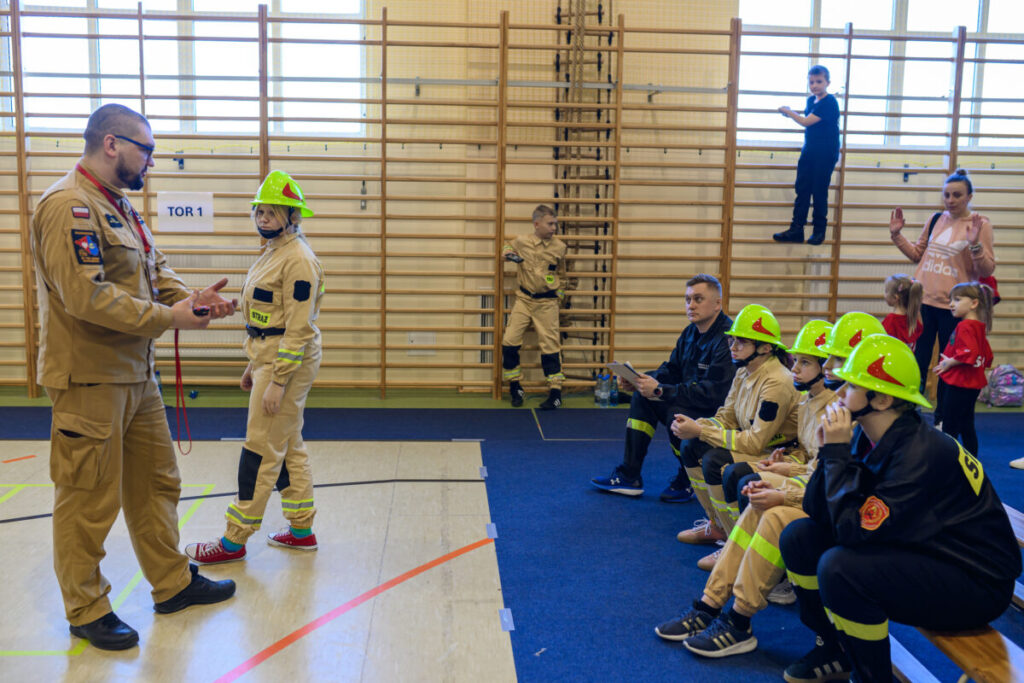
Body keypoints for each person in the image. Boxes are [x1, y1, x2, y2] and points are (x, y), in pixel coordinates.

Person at [30, 104, 237, 651]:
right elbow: (85, 296)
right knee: (88, 500)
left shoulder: (119, 206)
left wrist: (193, 299)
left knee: (156, 485)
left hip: (135, 376)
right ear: (113, 144)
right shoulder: (69, 207)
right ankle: (86, 608)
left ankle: (171, 584)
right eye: (146, 148)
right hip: (90, 378)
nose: (151, 159)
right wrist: (171, 318)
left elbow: (155, 270)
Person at [779, 334, 1020, 683]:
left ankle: (872, 678)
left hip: (976, 581)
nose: (841, 391)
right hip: (929, 548)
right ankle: (836, 649)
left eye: (852, 384)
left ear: (882, 399)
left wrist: (835, 456)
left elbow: (852, 533)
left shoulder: (920, 453)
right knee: (800, 537)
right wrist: (827, 453)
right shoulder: (868, 432)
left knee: (840, 569)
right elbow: (817, 511)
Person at [653, 320, 837, 657]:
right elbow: (820, 466)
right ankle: (711, 605)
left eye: (806, 362)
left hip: (831, 504)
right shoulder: (813, 399)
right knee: (755, 496)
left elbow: (834, 482)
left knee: (755, 492)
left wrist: (787, 489)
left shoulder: (822, 405)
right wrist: (789, 465)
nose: (794, 367)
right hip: (810, 481)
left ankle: (739, 615)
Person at [185, 171, 325, 565]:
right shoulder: (273, 251)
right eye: (259, 211)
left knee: (260, 449)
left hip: (287, 360)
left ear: (292, 217)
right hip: (269, 355)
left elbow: (297, 328)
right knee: (289, 444)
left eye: (272, 212)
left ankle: (234, 540)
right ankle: (301, 530)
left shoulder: (298, 260)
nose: (263, 218)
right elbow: (267, 316)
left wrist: (277, 380)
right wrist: (254, 364)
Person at [670, 304, 801, 566]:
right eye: (732, 339)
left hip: (784, 453)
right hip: (757, 444)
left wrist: (701, 430)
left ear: (764, 347)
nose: (732, 346)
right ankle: (717, 525)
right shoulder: (743, 371)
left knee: (716, 461)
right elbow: (727, 416)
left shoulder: (777, 381)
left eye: (741, 341)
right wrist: (700, 425)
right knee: (691, 446)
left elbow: (755, 441)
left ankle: (734, 544)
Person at [590, 274, 735, 501]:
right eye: (688, 299)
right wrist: (641, 380)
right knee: (642, 397)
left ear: (718, 304)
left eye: (698, 299)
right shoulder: (690, 332)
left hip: (718, 412)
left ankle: (689, 476)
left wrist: (662, 391)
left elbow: (713, 393)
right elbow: (672, 369)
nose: (691, 305)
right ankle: (630, 475)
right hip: (693, 400)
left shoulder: (728, 339)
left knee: (674, 413)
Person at [889, 169, 995, 385]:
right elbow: (918, 254)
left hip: (954, 307)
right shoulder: (936, 218)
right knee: (916, 360)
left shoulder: (980, 224)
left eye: (957, 195)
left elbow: (986, 270)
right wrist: (896, 235)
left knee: (948, 363)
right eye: (946, 195)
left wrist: (975, 245)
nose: (950, 200)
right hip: (923, 302)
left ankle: (942, 417)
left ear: (969, 197)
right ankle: (911, 408)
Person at [501, 205, 568, 410]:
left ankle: (555, 392)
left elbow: (563, 275)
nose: (554, 228)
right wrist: (509, 254)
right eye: (550, 224)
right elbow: (506, 249)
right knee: (509, 341)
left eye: (555, 224)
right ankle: (515, 386)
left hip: (547, 302)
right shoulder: (522, 241)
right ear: (536, 224)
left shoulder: (560, 247)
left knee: (550, 347)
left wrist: (559, 298)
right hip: (524, 300)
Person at [773, 65, 841, 246]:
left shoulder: (829, 102)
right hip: (810, 149)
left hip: (825, 152)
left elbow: (805, 121)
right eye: (811, 82)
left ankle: (819, 231)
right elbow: (808, 118)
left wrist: (788, 111)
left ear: (827, 83)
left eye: (819, 82)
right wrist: (790, 114)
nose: (815, 85)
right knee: (802, 188)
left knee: (819, 190)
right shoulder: (812, 101)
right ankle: (797, 228)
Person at [933, 281, 994, 457]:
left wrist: (949, 363)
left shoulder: (965, 326)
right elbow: (986, 354)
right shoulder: (978, 326)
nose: (951, 304)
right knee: (967, 423)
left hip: (960, 384)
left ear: (974, 303)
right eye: (951, 300)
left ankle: (947, 458)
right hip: (972, 384)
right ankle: (971, 457)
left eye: (957, 300)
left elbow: (971, 352)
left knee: (950, 424)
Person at [881, 273, 923, 349]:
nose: (884, 295)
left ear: (895, 297)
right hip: (909, 360)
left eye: (886, 291)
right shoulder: (915, 317)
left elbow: (882, 343)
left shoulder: (891, 320)